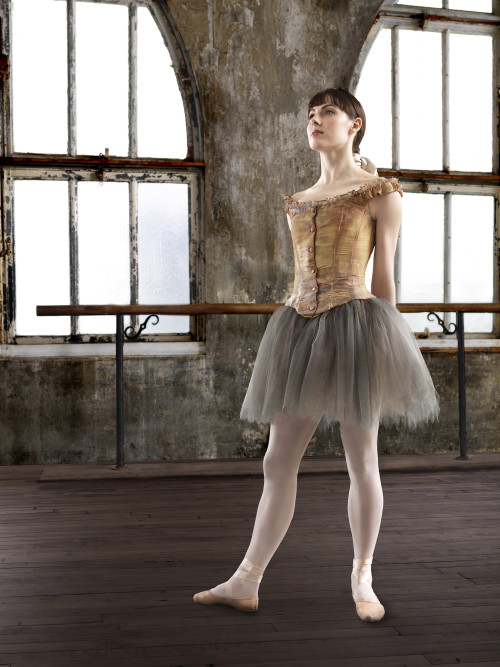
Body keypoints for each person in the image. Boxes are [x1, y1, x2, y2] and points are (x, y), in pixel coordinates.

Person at [193, 87, 440, 622]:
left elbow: (383, 279)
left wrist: (384, 345)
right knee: (277, 460)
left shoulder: (380, 192)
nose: (315, 120)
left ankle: (363, 577)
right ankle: (246, 579)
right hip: (299, 326)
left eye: (328, 112)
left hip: (355, 324)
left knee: (362, 460)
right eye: (310, 113)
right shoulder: (300, 198)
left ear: (355, 124)